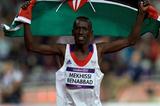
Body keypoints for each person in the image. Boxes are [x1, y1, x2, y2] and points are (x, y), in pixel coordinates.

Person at [22, 0, 150, 106]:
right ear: (72, 32)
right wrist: (26, 18)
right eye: (77, 29)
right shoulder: (63, 50)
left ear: (91, 34)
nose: (81, 32)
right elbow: (31, 46)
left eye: (84, 29)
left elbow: (131, 40)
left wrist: (140, 15)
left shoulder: (98, 50)